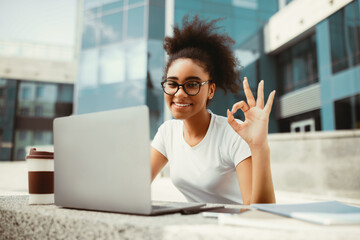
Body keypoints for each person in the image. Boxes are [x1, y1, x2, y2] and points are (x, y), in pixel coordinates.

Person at [151, 15, 276, 205]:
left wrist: (259, 146)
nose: (179, 93)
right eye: (172, 83)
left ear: (210, 90)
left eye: (192, 84)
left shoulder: (233, 133)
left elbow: (258, 210)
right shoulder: (167, 133)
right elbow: (135, 185)